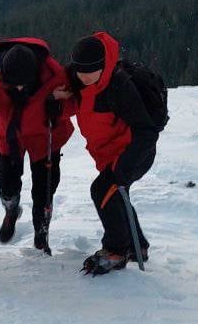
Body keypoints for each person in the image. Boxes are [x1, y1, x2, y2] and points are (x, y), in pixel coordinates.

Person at [63, 32, 162, 276]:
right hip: (109, 153)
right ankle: (138, 246)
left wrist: (123, 167)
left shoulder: (119, 87)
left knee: (102, 191)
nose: (83, 76)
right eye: (79, 71)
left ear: (103, 67)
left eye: (90, 71)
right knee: (117, 196)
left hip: (131, 154)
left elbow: (146, 131)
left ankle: (116, 250)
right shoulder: (81, 79)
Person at [0, 37, 74, 254]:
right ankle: (11, 210)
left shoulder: (54, 74)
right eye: (14, 84)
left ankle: (41, 234)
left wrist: (58, 106)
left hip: (45, 135)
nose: (20, 88)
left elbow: (76, 102)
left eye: (25, 84)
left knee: (45, 189)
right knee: (7, 186)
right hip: (10, 136)